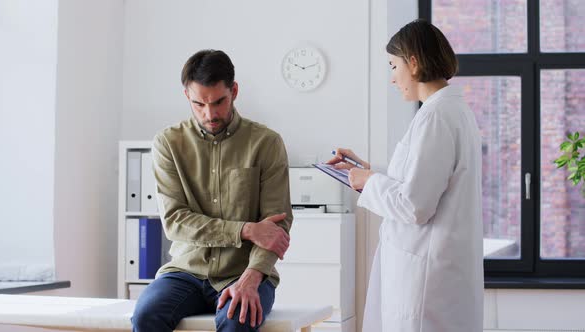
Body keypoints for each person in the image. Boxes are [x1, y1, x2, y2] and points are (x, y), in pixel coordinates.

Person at [328, 19, 483, 331]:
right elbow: (422, 182)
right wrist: (369, 173)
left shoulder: (436, 117)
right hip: (435, 270)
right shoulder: (448, 112)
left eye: (393, 65)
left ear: (413, 63)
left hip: (427, 279)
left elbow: (415, 205)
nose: (392, 78)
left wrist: (369, 182)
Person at [131, 49, 293, 332]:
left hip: (243, 271)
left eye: (219, 102)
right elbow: (175, 221)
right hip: (185, 271)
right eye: (199, 104)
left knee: (237, 322)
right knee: (146, 316)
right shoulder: (168, 144)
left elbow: (277, 224)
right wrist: (244, 229)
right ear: (187, 97)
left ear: (234, 91)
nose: (210, 113)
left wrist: (251, 278)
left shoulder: (266, 143)